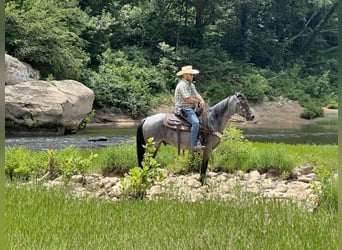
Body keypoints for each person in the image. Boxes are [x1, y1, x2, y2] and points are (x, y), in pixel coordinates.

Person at [174, 65, 206, 152]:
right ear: (185, 75)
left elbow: (196, 94)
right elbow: (188, 99)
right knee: (195, 122)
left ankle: (199, 140)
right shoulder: (182, 85)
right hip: (184, 109)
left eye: (192, 74)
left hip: (191, 108)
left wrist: (201, 100)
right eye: (190, 74)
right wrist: (198, 102)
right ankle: (193, 146)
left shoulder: (190, 84)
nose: (192, 76)